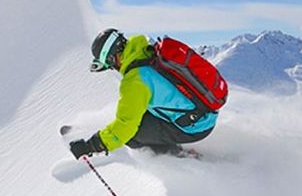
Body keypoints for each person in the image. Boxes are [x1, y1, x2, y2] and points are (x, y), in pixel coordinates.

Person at [68, 28, 217, 159]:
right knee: (140, 116)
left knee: (133, 136)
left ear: (114, 57)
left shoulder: (135, 81)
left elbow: (126, 127)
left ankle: (180, 157)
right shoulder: (147, 52)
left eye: (110, 64)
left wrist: (92, 146)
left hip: (195, 127)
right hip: (204, 114)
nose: (114, 68)